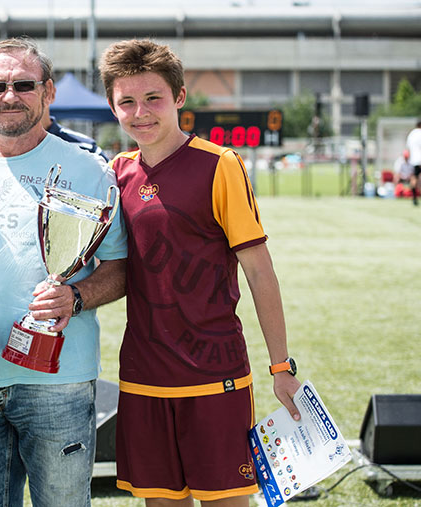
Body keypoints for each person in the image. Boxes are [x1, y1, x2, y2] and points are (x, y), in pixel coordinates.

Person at [98, 39, 301, 507]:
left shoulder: (220, 165)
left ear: (180, 98)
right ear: (112, 106)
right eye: (126, 101)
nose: (140, 112)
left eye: (153, 99)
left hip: (215, 375)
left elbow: (259, 271)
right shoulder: (115, 173)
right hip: (144, 376)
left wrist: (281, 366)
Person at [0, 37, 127, 507]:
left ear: (48, 92)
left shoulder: (88, 171)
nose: (10, 96)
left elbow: (121, 267)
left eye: (23, 85)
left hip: (58, 380)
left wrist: (78, 297)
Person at [406, 120, 421, 206]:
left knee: (414, 178)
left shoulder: (411, 134)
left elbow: (408, 148)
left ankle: (414, 197)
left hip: (413, 160)